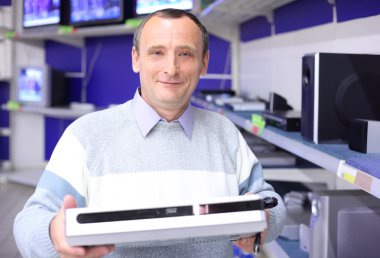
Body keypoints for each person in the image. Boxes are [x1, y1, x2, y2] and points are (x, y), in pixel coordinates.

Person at [14, 8, 286, 258]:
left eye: (185, 54)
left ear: (204, 63)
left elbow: (270, 203)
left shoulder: (225, 133)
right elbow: (28, 222)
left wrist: (264, 221)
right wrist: (53, 231)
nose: (171, 68)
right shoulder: (85, 136)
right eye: (157, 52)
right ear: (136, 59)